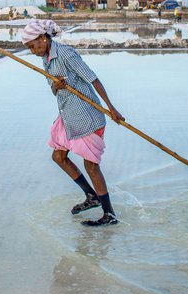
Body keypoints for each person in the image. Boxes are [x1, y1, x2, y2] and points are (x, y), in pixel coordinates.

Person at [21, 19, 125, 227]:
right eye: (29, 48)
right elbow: (53, 90)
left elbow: (92, 79)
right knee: (59, 156)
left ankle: (109, 214)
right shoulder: (46, 59)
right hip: (67, 115)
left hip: (87, 116)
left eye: (33, 46)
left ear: (43, 38)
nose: (32, 51)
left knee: (91, 166)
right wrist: (57, 86)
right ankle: (91, 196)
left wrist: (112, 108)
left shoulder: (66, 53)